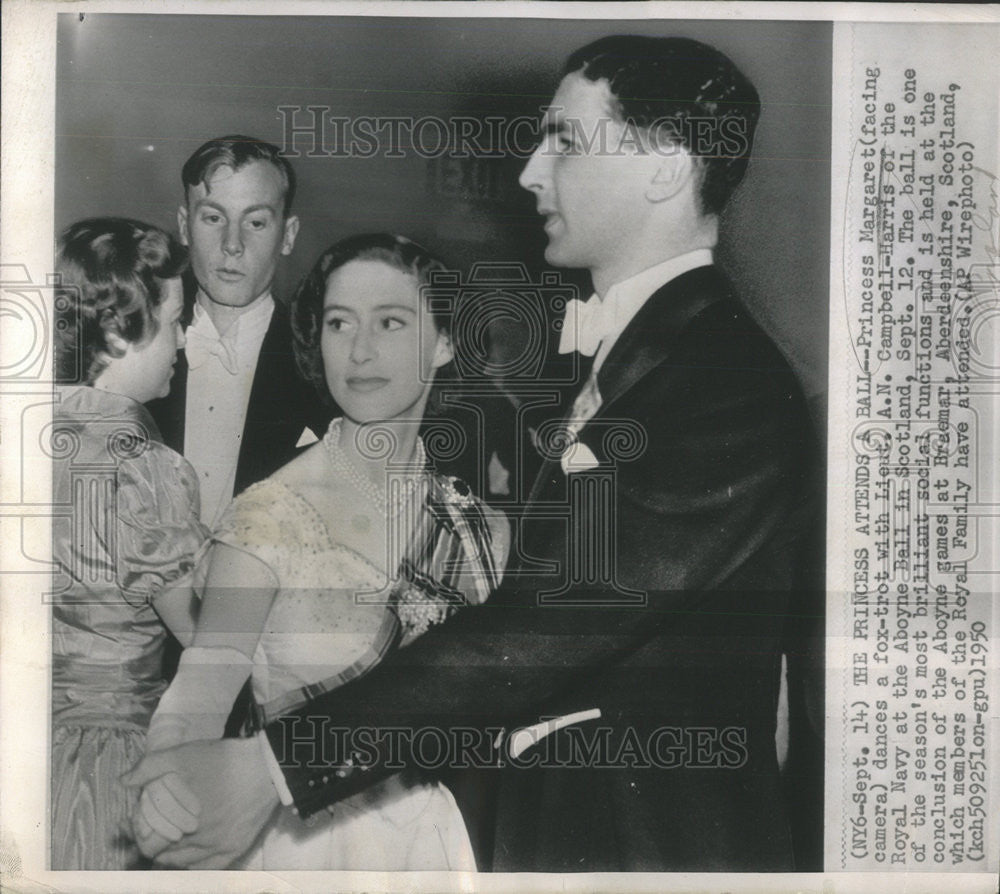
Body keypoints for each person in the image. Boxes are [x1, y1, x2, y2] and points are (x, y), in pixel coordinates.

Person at [129, 35, 821, 871]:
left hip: (649, 850)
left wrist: (275, 765)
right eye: (342, 323)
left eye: (564, 139)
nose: (530, 170)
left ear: (666, 166)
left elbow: (555, 623)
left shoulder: (723, 381)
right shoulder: (645, 358)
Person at [136, 234, 509, 869]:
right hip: (300, 847)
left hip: (428, 849)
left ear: (445, 342)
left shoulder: (483, 530)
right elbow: (201, 685)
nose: (360, 351)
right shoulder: (268, 514)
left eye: (391, 322)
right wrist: (167, 778)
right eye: (339, 324)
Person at [49, 218, 209, 869]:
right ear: (117, 332)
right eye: (175, 321)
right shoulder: (146, 468)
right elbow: (208, 635)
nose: (185, 340)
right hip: (113, 756)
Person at [146, 135, 332, 528]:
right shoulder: (134, 348)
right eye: (213, 218)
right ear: (184, 225)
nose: (233, 245)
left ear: (289, 235)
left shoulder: (325, 366)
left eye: (256, 222)